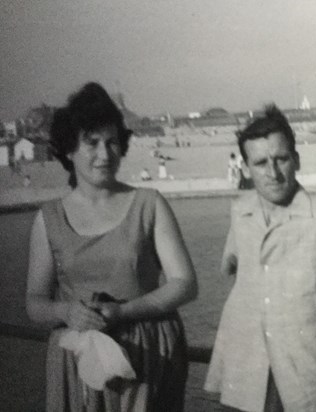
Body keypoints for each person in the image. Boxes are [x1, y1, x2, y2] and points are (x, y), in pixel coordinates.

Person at [26, 82, 198, 412]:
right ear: (69, 149)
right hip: (78, 362)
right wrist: (67, 311)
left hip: (149, 358)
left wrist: (124, 312)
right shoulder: (48, 219)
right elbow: (34, 303)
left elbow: (185, 285)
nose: (105, 154)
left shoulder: (149, 204)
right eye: (92, 143)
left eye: (112, 142)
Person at [204, 105, 316, 412]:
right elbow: (232, 269)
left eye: (281, 159)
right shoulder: (240, 212)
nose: (273, 173)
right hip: (243, 373)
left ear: (296, 160)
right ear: (246, 168)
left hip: (302, 376)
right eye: (261, 163)